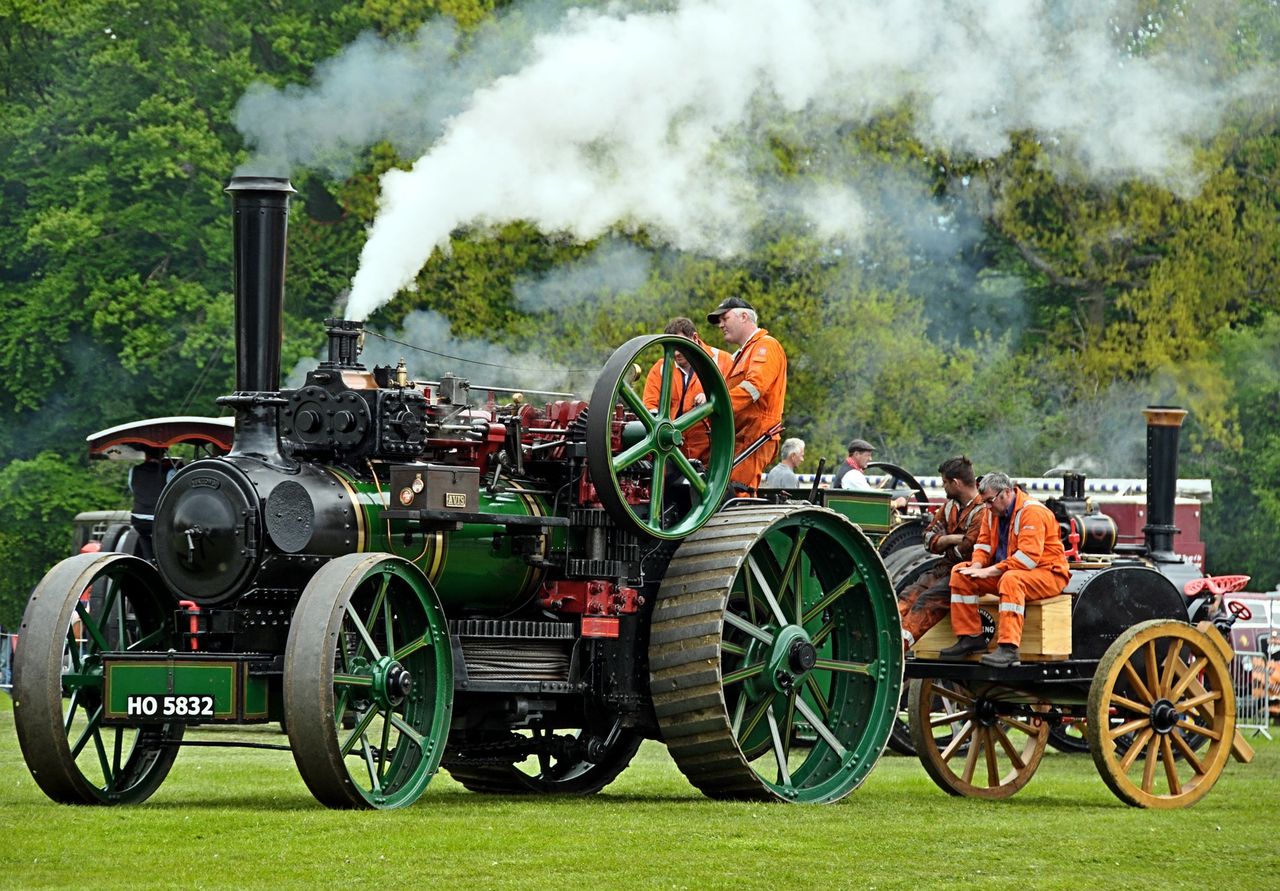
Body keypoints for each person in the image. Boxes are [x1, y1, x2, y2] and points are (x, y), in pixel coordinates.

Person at [941, 471, 1069, 667]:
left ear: (1007, 492)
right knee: (961, 573)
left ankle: (1008, 648)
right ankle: (970, 637)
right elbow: (983, 545)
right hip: (1009, 571)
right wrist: (975, 566)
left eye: (990, 501)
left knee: (1011, 579)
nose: (987, 506)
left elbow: (1027, 559)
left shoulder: (1032, 512)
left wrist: (988, 571)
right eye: (985, 502)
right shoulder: (991, 512)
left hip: (1049, 574)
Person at [898, 456, 987, 651]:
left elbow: (967, 549)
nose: (943, 487)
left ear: (956, 483)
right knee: (907, 596)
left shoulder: (982, 510)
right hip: (945, 568)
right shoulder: (950, 507)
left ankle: (896, 649)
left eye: (945, 483)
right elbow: (928, 539)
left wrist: (945, 540)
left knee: (927, 601)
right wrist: (950, 539)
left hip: (969, 572)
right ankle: (884, 638)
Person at [706, 297, 787, 494]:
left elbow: (754, 387)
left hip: (756, 434)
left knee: (736, 494)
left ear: (744, 316)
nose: (721, 325)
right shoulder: (742, 355)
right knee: (724, 493)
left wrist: (717, 406)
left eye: (725, 318)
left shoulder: (765, 346)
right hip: (740, 436)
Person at [642, 317, 732, 464]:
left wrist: (711, 396)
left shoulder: (723, 361)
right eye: (672, 347)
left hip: (713, 453)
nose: (676, 353)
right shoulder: (660, 368)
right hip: (672, 451)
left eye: (680, 346)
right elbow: (649, 405)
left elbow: (735, 399)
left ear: (695, 338)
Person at [129, 447, 178, 560]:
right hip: (159, 520)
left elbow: (134, 489)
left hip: (138, 519)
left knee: (144, 536)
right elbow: (174, 494)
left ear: (146, 456)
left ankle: (147, 559)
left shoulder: (134, 470)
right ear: (162, 456)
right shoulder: (170, 472)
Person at [839, 438, 907, 510]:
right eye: (867, 455)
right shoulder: (852, 475)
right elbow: (874, 500)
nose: (870, 459)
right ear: (856, 454)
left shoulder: (847, 469)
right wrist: (896, 503)